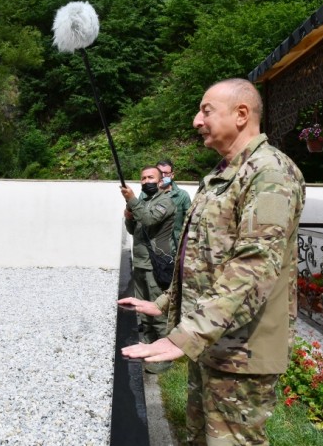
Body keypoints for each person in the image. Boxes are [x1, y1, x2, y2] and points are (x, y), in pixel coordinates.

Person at [118, 78, 305, 445]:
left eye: (206, 111)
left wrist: (187, 335)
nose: (196, 121)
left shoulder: (270, 173)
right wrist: (163, 304)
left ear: (241, 114)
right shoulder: (221, 176)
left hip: (241, 352)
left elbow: (254, 266)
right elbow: (201, 259)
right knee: (198, 439)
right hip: (211, 342)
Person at [120, 165, 175, 374]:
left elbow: (150, 219)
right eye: (142, 178)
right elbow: (134, 230)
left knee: (158, 311)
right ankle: (150, 349)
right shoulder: (143, 202)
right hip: (141, 263)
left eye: (150, 177)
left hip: (156, 265)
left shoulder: (165, 202)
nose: (146, 182)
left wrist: (132, 199)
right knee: (144, 313)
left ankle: (164, 358)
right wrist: (128, 214)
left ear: (160, 181)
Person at [155, 159, 192, 247]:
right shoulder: (146, 194)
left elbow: (189, 223)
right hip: (152, 248)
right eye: (160, 172)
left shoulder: (182, 195)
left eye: (166, 173)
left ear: (172, 175)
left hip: (174, 248)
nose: (163, 176)